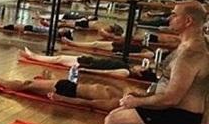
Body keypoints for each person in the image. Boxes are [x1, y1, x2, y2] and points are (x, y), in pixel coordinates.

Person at [105, 1, 209, 124]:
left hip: (178, 117)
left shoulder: (191, 54)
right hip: (176, 111)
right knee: (117, 112)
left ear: (188, 21)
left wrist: (138, 101)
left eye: (174, 15)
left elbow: (171, 98)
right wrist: (140, 98)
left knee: (112, 122)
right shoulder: (191, 44)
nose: (169, 18)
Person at [0, 67, 125, 112]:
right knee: (27, 84)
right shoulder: (122, 95)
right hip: (70, 85)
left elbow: (88, 104)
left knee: (26, 85)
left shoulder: (114, 103)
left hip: (66, 91)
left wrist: (62, 99)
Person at [19, 47, 157, 81]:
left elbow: (105, 72)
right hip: (89, 60)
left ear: (139, 72)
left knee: (59, 59)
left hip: (88, 64)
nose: (140, 65)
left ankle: (33, 56)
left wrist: (85, 70)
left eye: (142, 68)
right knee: (59, 58)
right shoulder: (128, 67)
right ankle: (34, 56)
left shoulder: (126, 72)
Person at [60, 37, 155, 58]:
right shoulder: (145, 47)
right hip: (118, 45)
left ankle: (71, 45)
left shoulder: (151, 53)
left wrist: (124, 54)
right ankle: (72, 44)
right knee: (95, 44)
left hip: (119, 49)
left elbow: (140, 54)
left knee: (94, 48)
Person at [0, 21, 74, 40]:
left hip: (32, 29)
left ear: (63, 33)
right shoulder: (55, 31)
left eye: (65, 30)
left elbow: (42, 35)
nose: (64, 28)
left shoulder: (55, 33)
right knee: (13, 27)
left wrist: (28, 34)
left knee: (13, 27)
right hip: (32, 27)